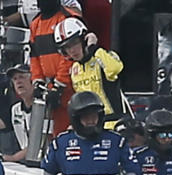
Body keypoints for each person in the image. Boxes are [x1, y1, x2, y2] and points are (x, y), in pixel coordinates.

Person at [55, 18, 125, 130]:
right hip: (90, 128)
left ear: (84, 40)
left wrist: (94, 48)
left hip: (114, 124)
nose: (72, 50)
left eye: (74, 43)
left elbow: (115, 69)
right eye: (67, 47)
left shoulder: (102, 56)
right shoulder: (74, 69)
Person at [30, 0, 80, 136]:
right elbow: (34, 56)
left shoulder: (67, 18)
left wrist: (59, 85)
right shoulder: (35, 24)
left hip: (73, 86)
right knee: (58, 134)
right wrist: (38, 81)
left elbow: (70, 56)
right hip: (52, 88)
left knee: (77, 129)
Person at [4, 63, 33, 163]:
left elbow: (44, 143)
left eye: (22, 77)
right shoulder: (15, 109)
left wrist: (14, 158)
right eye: (15, 79)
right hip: (25, 162)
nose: (18, 81)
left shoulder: (44, 108)